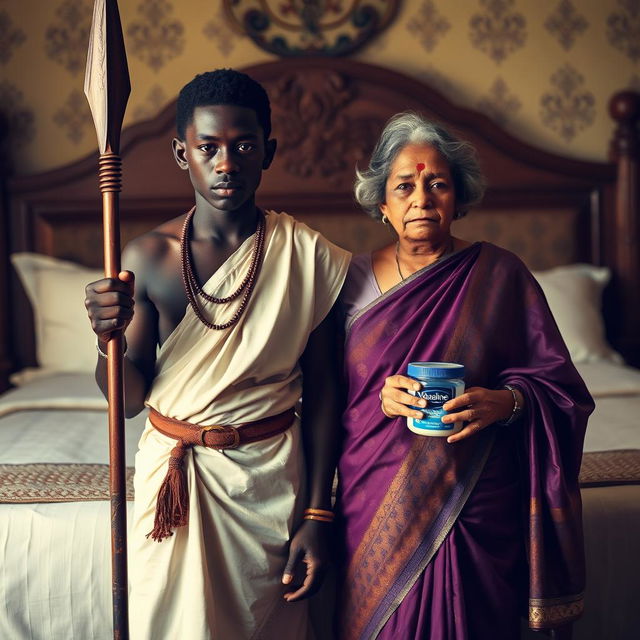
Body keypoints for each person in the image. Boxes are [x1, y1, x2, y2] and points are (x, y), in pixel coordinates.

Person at [84, 68, 351, 639]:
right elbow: (128, 401)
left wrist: (317, 513)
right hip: (177, 479)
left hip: (271, 480)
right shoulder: (150, 256)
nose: (226, 162)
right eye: (208, 147)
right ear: (184, 155)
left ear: (268, 152)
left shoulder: (309, 256)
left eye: (244, 145)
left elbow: (328, 391)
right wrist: (107, 337)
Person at [335, 112, 593, 640]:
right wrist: (379, 400)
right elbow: (323, 397)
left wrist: (510, 403)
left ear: (460, 197)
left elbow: (563, 389)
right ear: (382, 204)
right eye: (404, 186)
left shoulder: (501, 275)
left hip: (478, 498)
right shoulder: (346, 281)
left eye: (437, 184)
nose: (422, 198)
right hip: (377, 499)